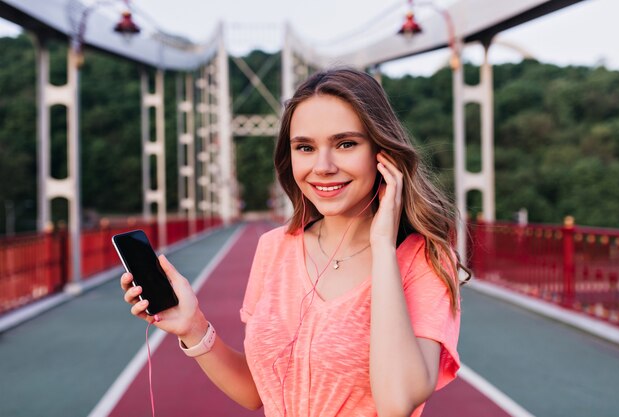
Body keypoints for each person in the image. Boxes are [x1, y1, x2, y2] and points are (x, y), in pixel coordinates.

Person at [122, 67, 469, 417]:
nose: (322, 166)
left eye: (345, 144)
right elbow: (256, 392)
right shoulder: (274, 249)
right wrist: (192, 325)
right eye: (305, 147)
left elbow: (396, 403)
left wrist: (382, 244)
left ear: (383, 152)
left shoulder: (425, 260)